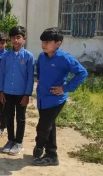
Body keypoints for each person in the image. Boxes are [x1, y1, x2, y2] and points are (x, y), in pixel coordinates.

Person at [33, 27, 88, 166]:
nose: (43, 45)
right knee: (49, 125)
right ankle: (50, 152)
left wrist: (65, 88)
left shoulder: (64, 58)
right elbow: (38, 69)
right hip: (42, 98)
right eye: (42, 42)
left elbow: (82, 73)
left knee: (43, 127)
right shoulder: (42, 56)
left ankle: (44, 150)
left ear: (58, 43)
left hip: (55, 99)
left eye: (47, 42)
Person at [0, 26, 34, 155]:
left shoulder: (28, 56)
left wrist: (27, 94)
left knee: (20, 118)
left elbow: (30, 77)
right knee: (9, 116)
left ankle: (19, 142)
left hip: (21, 94)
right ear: (10, 39)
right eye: (13, 38)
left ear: (24, 39)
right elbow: (2, 74)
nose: (16, 40)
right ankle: (10, 140)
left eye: (18, 37)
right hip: (7, 92)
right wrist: (1, 91)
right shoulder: (6, 56)